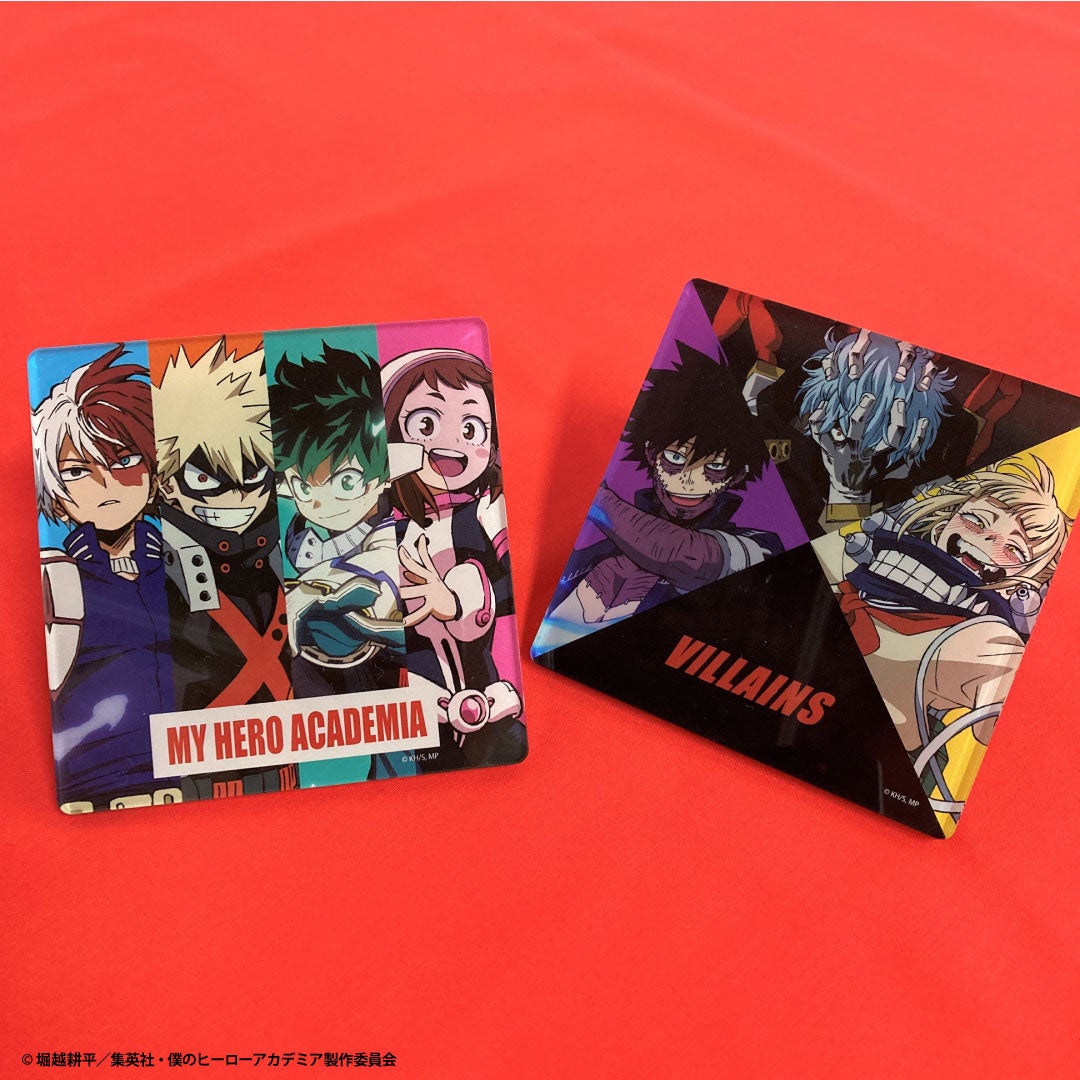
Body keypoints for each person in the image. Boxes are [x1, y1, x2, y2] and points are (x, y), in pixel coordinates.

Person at [33, 345, 177, 812]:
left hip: (195, 770)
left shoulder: (182, 564)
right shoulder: (58, 578)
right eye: (77, 471)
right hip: (97, 780)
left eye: (123, 461)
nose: (105, 484)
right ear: (55, 488)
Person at [383, 347, 526, 772]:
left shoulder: (483, 515)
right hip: (416, 708)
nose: (451, 441)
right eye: (426, 423)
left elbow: (508, 593)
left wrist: (459, 601)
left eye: (471, 427)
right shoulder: (383, 527)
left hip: (488, 704)